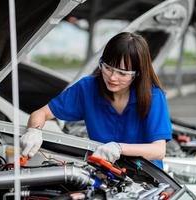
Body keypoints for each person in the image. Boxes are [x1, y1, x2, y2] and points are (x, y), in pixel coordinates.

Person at [20, 32, 172, 169]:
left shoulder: (153, 96)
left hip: (146, 176)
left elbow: (158, 150)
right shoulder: (87, 87)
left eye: (122, 73)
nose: (112, 77)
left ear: (137, 74)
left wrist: (119, 148)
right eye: (107, 68)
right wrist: (34, 130)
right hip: (103, 172)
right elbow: (41, 113)